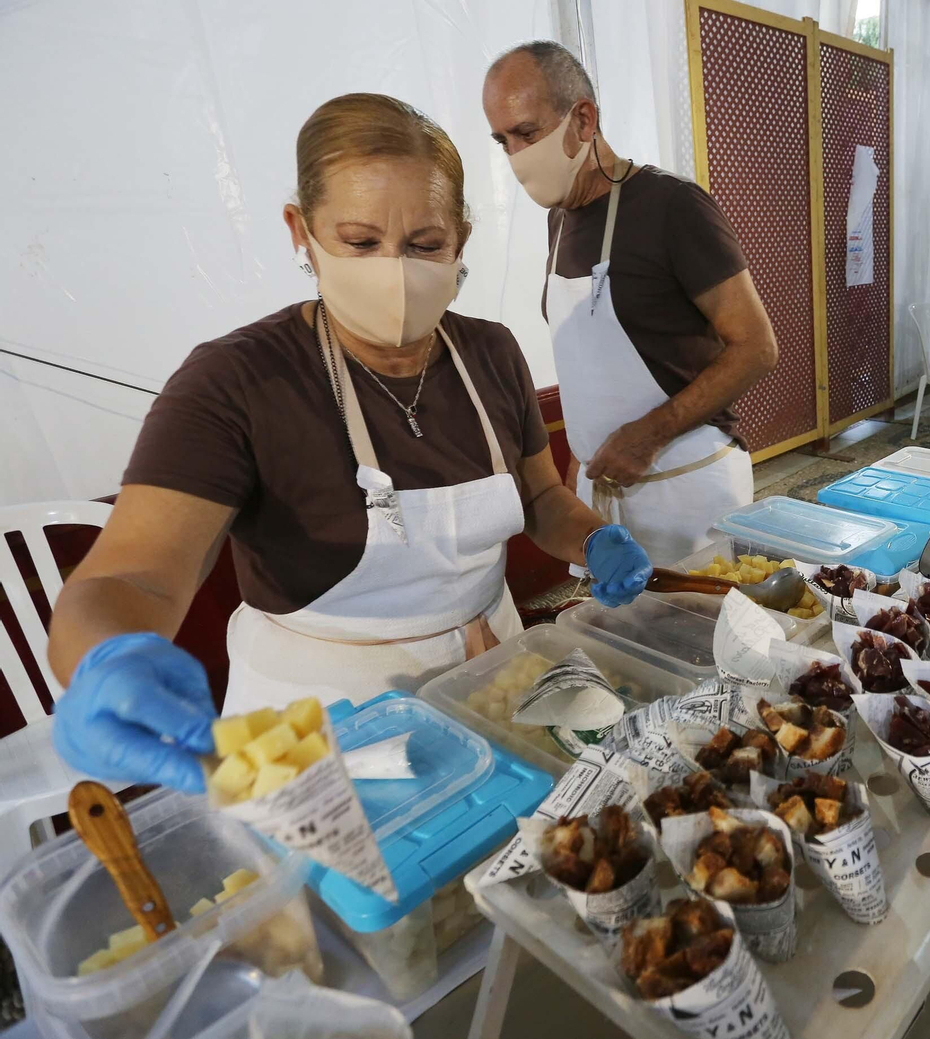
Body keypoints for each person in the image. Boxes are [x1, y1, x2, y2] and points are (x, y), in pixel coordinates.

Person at [45, 94, 654, 793]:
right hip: (325, 728)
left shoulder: (490, 353)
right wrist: (105, 657)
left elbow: (540, 496)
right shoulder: (236, 381)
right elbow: (133, 577)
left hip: (492, 681)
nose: (394, 270)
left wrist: (592, 538)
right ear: (301, 231)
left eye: (425, 244)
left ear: (460, 238)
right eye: (361, 243)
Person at [481, 43, 778, 572]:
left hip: (687, 490)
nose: (516, 155)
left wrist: (651, 434)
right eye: (503, 141)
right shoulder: (558, 221)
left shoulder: (673, 207)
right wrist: (579, 461)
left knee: (698, 621)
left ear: (584, 119)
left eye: (527, 133)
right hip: (602, 494)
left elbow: (756, 347)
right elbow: (588, 364)